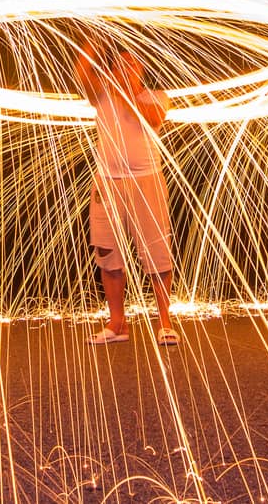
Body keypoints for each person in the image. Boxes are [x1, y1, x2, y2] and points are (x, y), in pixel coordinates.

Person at [73, 23, 177, 347]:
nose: (123, 70)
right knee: (107, 254)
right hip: (106, 183)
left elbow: (153, 117)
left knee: (157, 254)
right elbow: (81, 71)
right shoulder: (101, 96)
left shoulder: (157, 97)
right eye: (118, 64)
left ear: (141, 70)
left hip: (146, 182)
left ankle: (165, 323)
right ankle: (117, 324)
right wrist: (96, 35)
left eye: (131, 65)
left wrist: (128, 89)